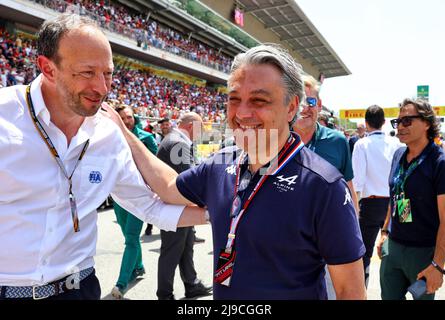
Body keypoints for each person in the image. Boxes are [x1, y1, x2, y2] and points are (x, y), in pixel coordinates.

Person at [105, 44, 367, 300]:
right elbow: (169, 187)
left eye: (258, 100)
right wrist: (125, 134)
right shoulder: (220, 164)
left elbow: (350, 292)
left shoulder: (325, 186)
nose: (242, 113)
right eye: (234, 99)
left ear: (290, 107)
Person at [0, 13, 204, 300]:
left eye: (107, 73)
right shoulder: (4, 116)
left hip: (80, 288)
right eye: (87, 73)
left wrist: (223, 215)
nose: (102, 88)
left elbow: (149, 206)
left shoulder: (108, 134)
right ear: (48, 68)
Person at [292, 74, 359, 299]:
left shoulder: (338, 142)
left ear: (319, 106)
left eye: (310, 102)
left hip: (330, 242)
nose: (305, 108)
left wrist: (354, 230)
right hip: (290, 243)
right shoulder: (276, 141)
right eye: (299, 101)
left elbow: (348, 187)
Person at [376, 98, 445, 300]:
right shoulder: (399, 154)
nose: (399, 126)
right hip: (394, 249)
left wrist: (438, 265)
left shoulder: (441, 162)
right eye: (397, 122)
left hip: (423, 254)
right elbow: (396, 195)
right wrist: (384, 231)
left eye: (407, 121)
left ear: (427, 123)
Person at [156, 112, 212, 300]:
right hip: (174, 208)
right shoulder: (178, 143)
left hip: (178, 207)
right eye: (201, 126)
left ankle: (191, 283)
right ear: (191, 125)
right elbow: (188, 180)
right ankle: (164, 294)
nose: (202, 131)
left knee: (185, 247)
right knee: (171, 251)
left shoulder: (176, 140)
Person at [352, 105, 403, 288]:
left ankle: (362, 291)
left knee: (364, 252)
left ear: (366, 124)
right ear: (383, 122)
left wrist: (355, 206)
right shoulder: (397, 144)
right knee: (398, 249)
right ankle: (394, 290)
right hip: (397, 202)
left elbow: (357, 180)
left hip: (370, 203)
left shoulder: (361, 144)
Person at [110, 104, 158, 299]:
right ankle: (138, 267)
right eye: (122, 118)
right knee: (127, 236)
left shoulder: (146, 138)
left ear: (134, 118)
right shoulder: (112, 137)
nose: (126, 120)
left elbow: (155, 167)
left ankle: (121, 283)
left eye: (129, 117)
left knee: (131, 238)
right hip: (118, 196)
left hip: (139, 197)